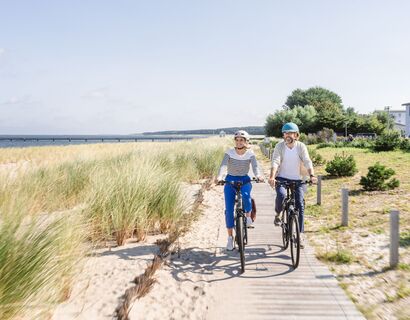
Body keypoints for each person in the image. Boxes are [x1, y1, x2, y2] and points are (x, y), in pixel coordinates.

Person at [268, 123, 317, 249]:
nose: (287, 135)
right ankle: (278, 214)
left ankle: (300, 235)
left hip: (297, 179)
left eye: (290, 133)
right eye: (285, 133)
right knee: (282, 195)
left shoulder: (301, 146)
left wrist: (312, 175)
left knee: (300, 204)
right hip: (281, 178)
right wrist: (272, 177)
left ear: (296, 135)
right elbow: (275, 161)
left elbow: (307, 160)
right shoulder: (279, 146)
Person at [216, 130, 264, 251]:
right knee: (229, 210)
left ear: (246, 142)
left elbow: (255, 167)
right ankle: (230, 238)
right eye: (237, 140)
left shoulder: (250, 153)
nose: (238, 142)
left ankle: (248, 216)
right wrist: (219, 177)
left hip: (244, 179)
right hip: (230, 180)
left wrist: (258, 175)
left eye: (241, 140)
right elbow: (223, 165)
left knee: (246, 195)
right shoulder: (230, 152)